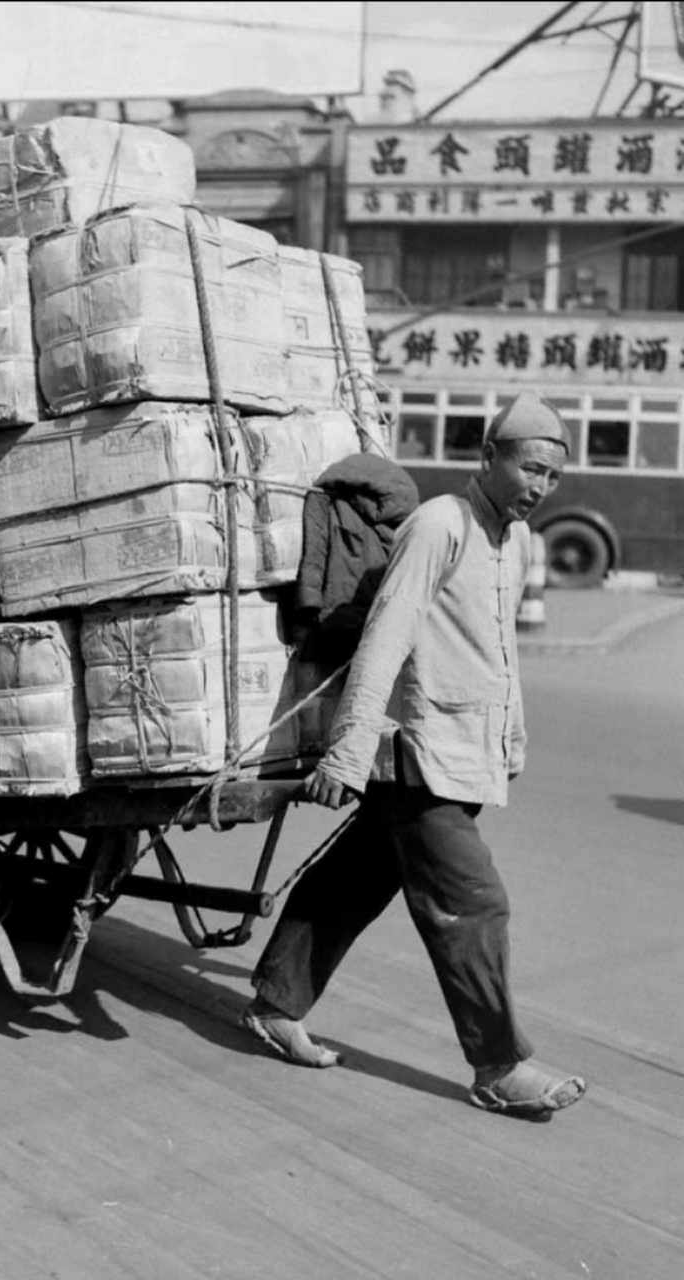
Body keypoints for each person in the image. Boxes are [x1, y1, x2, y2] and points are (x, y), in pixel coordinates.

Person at [241, 391, 587, 1118]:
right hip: (414, 752)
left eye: (552, 478)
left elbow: (499, 651)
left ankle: (275, 1002)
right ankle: (497, 1065)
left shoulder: (517, 540)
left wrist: (510, 735)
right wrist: (344, 753)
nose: (538, 487)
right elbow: (385, 641)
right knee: (471, 903)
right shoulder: (439, 527)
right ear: (487, 457)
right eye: (528, 469)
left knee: (358, 876)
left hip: (464, 750)